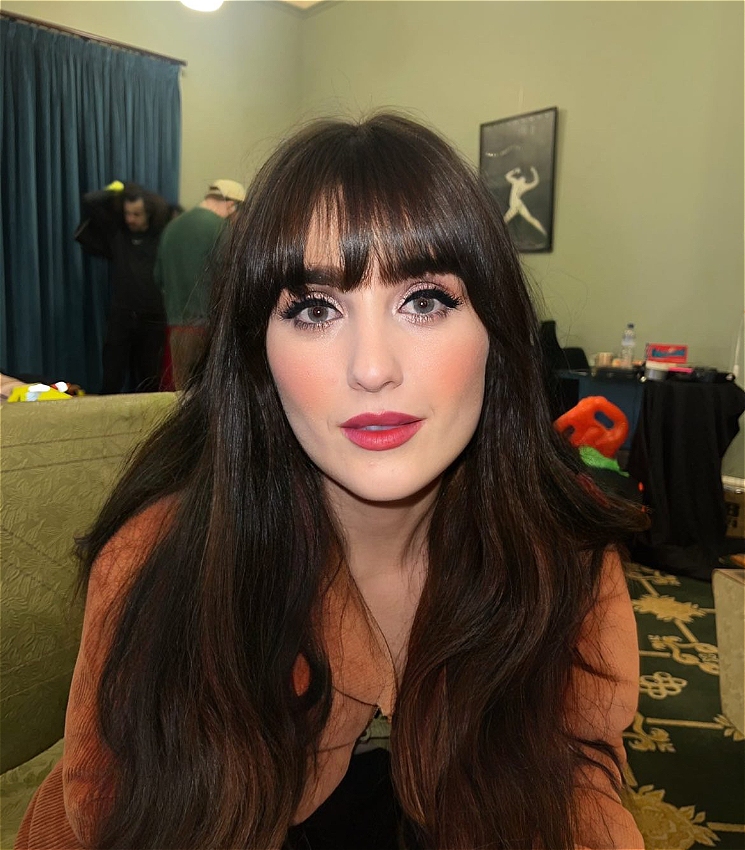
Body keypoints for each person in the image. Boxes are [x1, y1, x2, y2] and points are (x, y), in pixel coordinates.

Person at [18, 114, 647, 850]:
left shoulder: (560, 553)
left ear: (494, 337)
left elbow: (580, 789)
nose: (371, 367)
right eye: (315, 309)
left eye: (424, 300)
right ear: (259, 357)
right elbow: (92, 813)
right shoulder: (159, 564)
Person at [75, 181, 171, 394]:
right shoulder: (118, 236)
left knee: (149, 379)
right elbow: (91, 201)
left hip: (152, 318)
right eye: (127, 213)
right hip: (122, 316)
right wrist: (120, 190)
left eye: (136, 214)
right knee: (112, 375)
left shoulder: (161, 237)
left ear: (148, 214)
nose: (130, 219)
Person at [155, 179, 246, 389]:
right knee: (210, 396)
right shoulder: (222, 229)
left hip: (177, 330)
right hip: (212, 330)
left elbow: (158, 278)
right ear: (231, 205)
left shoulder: (171, 228)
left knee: (181, 396)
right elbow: (232, 280)